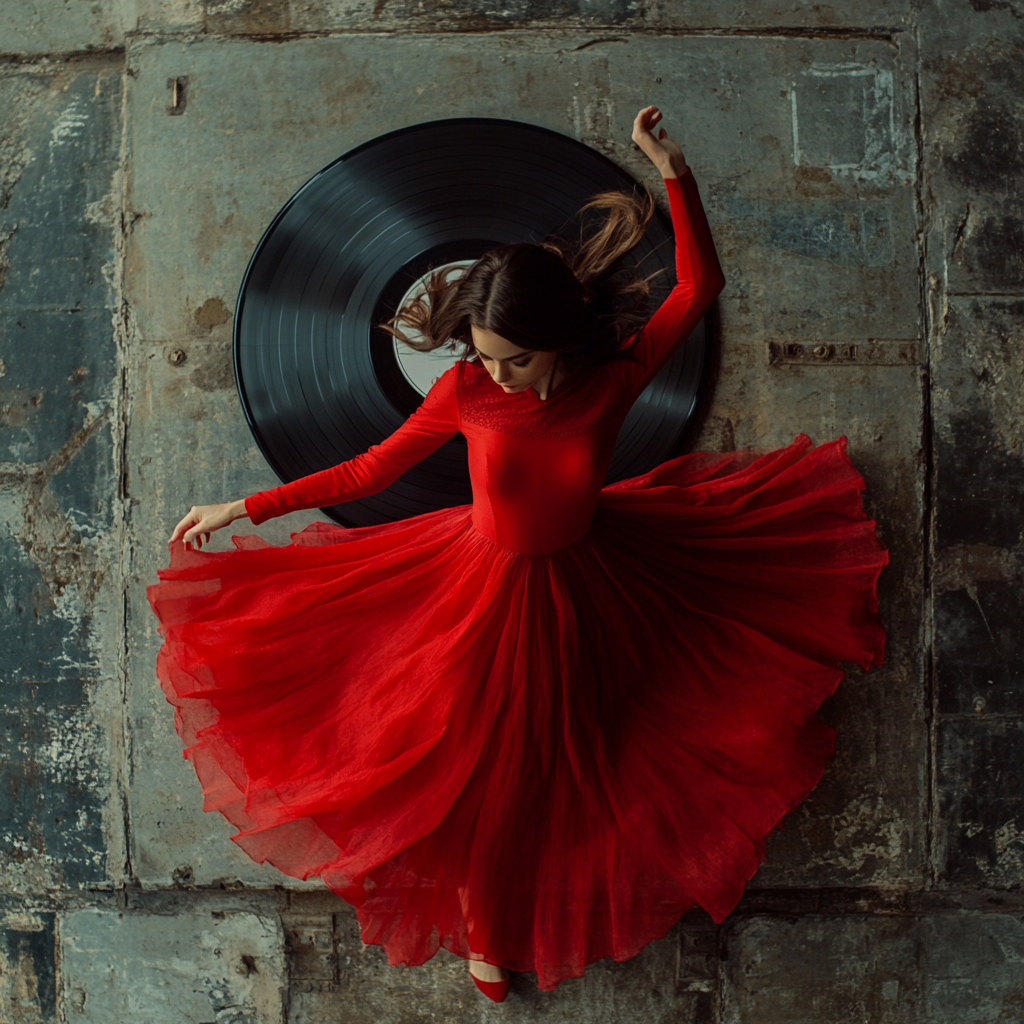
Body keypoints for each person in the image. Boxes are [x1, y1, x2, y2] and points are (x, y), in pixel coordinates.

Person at [149, 106, 887, 1002]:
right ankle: (490, 926)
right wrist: (247, 505)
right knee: (468, 750)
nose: (496, 373)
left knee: (579, 749)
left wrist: (674, 173)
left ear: (557, 344)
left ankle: (517, 895)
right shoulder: (465, 390)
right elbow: (369, 469)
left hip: (591, 574)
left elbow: (700, 289)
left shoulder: (612, 382)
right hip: (475, 582)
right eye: (485, 355)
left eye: (513, 359)